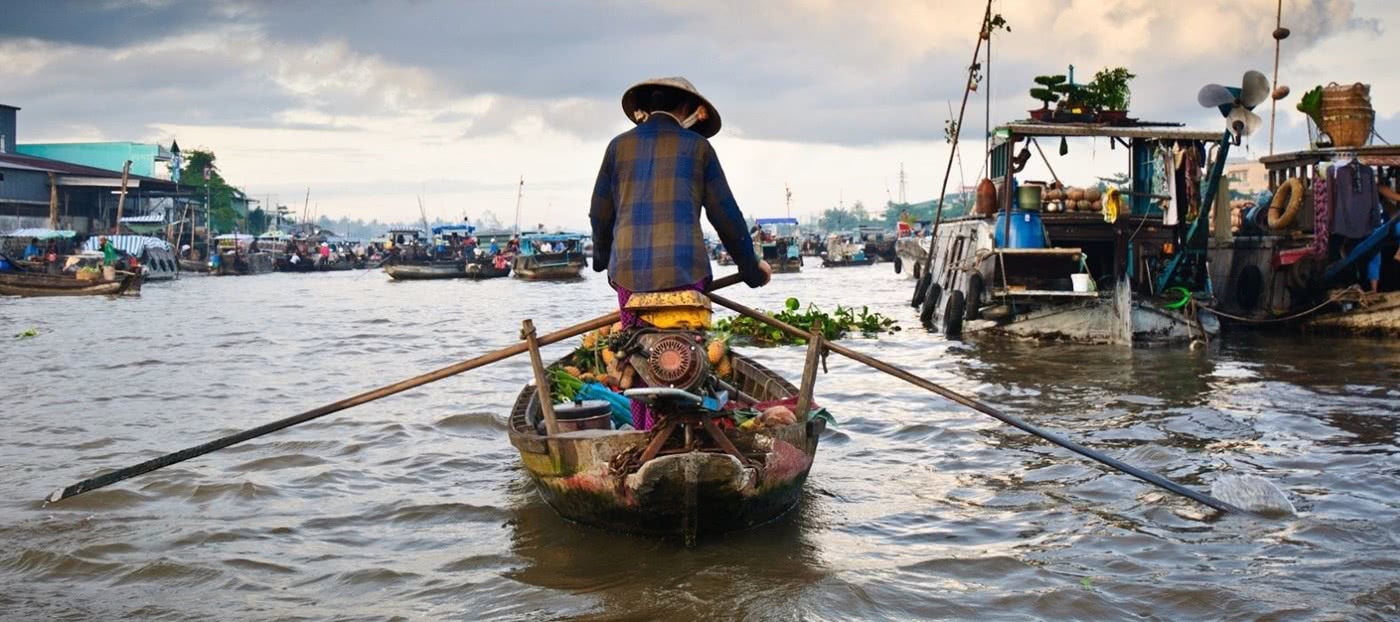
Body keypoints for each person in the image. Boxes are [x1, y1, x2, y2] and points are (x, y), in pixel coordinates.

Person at [589, 77, 770, 429]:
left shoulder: (617, 147)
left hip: (629, 277)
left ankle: (644, 429)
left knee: (637, 356)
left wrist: (602, 260)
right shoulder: (698, 148)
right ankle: (692, 426)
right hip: (686, 274)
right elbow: (727, 217)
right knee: (691, 351)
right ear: (687, 109)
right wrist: (752, 271)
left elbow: (600, 213)